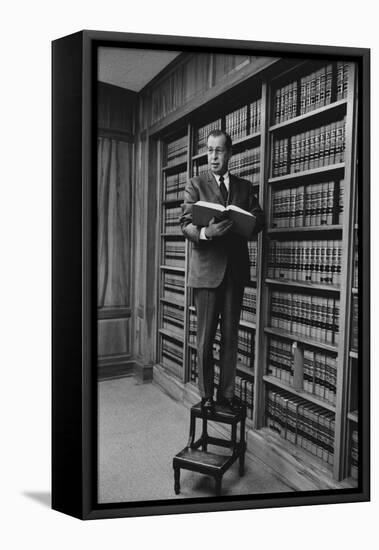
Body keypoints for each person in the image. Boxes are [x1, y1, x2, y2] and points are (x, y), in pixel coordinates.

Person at [180, 130, 264, 414]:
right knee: (205, 337)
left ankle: (226, 394)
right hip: (206, 273)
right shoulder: (195, 184)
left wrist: (250, 222)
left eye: (219, 151)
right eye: (209, 151)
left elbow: (258, 218)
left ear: (229, 153)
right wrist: (206, 232)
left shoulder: (244, 186)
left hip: (235, 272)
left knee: (231, 336)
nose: (213, 156)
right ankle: (206, 395)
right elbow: (185, 224)